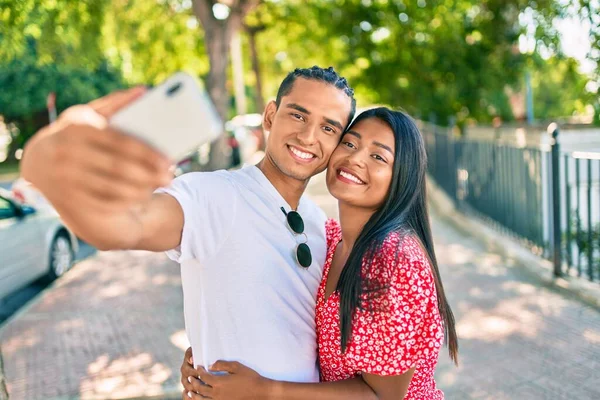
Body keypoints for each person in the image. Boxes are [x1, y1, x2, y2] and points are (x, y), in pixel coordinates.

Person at [21, 67, 382, 396]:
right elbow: (121, 228)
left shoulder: (320, 222)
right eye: (298, 115)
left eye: (329, 127)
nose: (308, 136)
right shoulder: (214, 195)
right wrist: (42, 160)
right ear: (271, 115)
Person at [180, 108, 458, 399]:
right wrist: (205, 352)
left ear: (402, 177)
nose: (355, 158)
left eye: (378, 157)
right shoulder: (329, 238)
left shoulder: (394, 261)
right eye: (349, 143)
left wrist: (262, 390)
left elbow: (382, 397)